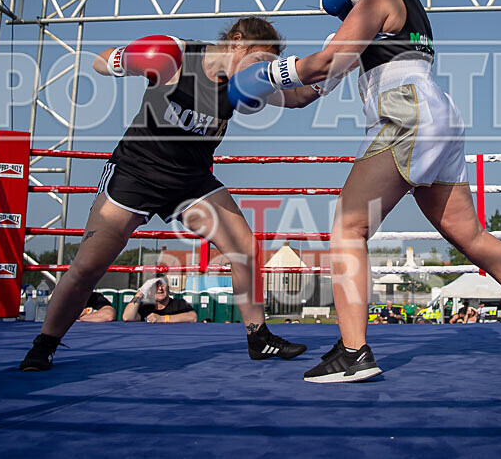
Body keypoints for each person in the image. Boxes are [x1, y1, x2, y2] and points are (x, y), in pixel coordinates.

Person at [228, 0, 501, 382]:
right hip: (437, 117)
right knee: (467, 234)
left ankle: (354, 352)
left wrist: (260, 73)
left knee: (348, 227)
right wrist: (256, 92)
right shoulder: (392, 9)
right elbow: (310, 89)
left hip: (405, 113)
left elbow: (318, 62)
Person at [19, 18, 309, 371]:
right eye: (259, 62)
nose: (260, 72)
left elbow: (297, 97)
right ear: (237, 42)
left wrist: (345, 58)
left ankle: (258, 338)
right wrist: (121, 62)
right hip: (136, 174)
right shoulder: (176, 55)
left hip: (190, 181)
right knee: (87, 267)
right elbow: (101, 59)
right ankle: (44, 343)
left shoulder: (244, 82)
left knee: (244, 249)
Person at [123, 277, 195, 323]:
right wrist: (141, 292)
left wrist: (163, 319)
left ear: (168, 288)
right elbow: (127, 317)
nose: (160, 288)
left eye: (162, 285)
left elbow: (193, 317)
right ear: (149, 290)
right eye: (156, 286)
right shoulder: (145, 307)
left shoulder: (178, 304)